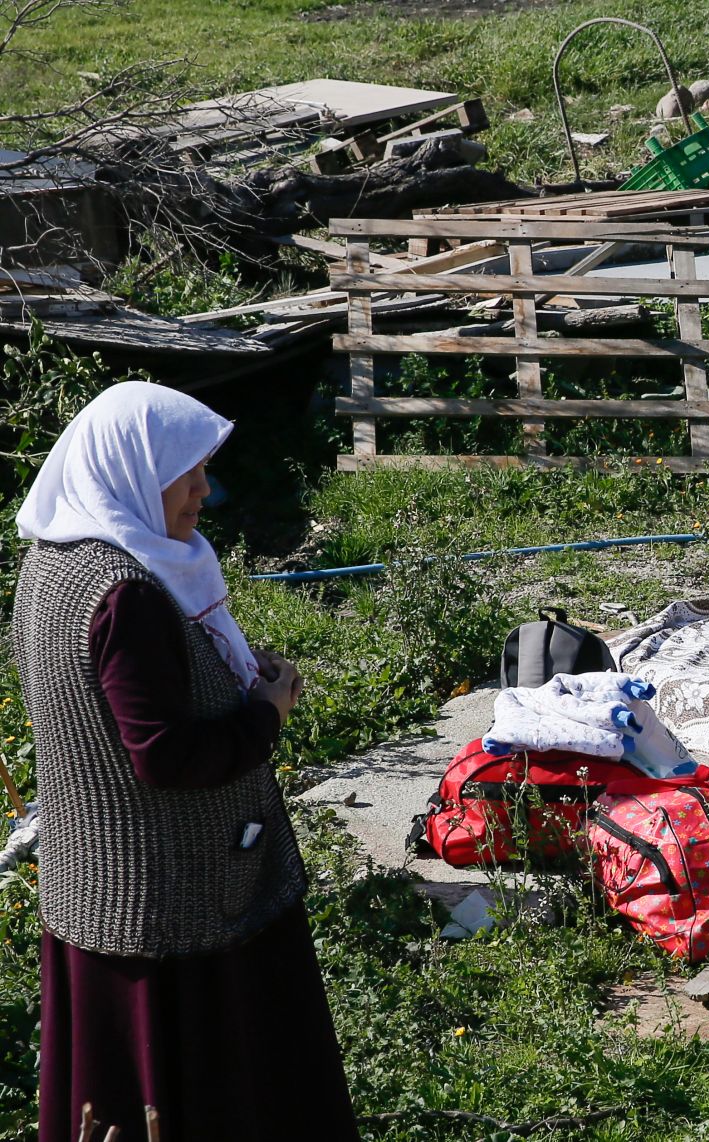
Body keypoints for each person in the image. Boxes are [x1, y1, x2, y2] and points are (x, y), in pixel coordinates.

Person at [10, 382, 358, 1142]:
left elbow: (118, 706)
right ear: (133, 467)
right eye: (188, 471)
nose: (205, 488)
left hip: (99, 886)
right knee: (215, 1096)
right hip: (178, 905)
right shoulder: (125, 592)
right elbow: (166, 755)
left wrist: (225, 675)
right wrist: (267, 714)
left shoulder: (51, 563)